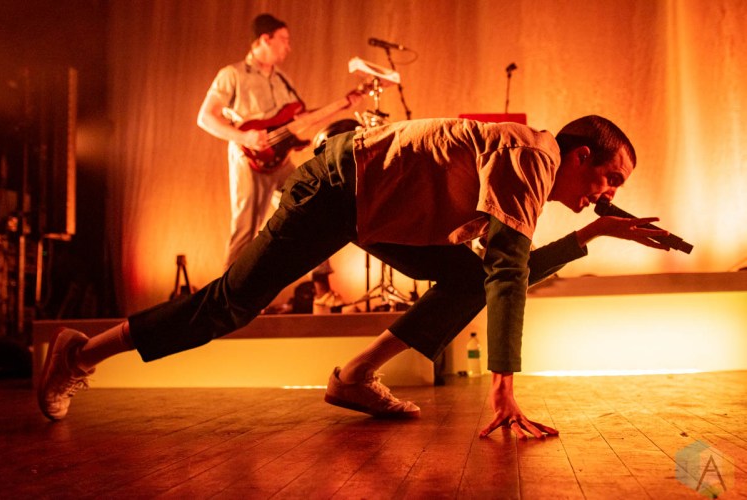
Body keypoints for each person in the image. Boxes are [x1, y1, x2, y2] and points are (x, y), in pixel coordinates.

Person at [38, 116, 670, 439]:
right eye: (610, 179)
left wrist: (590, 236)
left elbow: (504, 272)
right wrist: (504, 390)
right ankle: (80, 353)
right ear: (581, 155)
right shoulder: (534, 155)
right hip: (338, 190)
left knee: (466, 280)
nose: (608, 193)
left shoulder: (530, 163)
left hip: (376, 213)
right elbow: (507, 272)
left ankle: (355, 377)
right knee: (231, 305)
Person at [196, 13, 300, 270]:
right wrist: (244, 137)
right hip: (249, 159)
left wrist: (346, 102)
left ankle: (322, 286)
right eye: (284, 39)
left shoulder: (283, 79)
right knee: (246, 230)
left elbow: (294, 118)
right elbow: (205, 117)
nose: (288, 46)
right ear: (265, 39)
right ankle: (229, 292)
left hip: (280, 160)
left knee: (307, 205)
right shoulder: (232, 74)